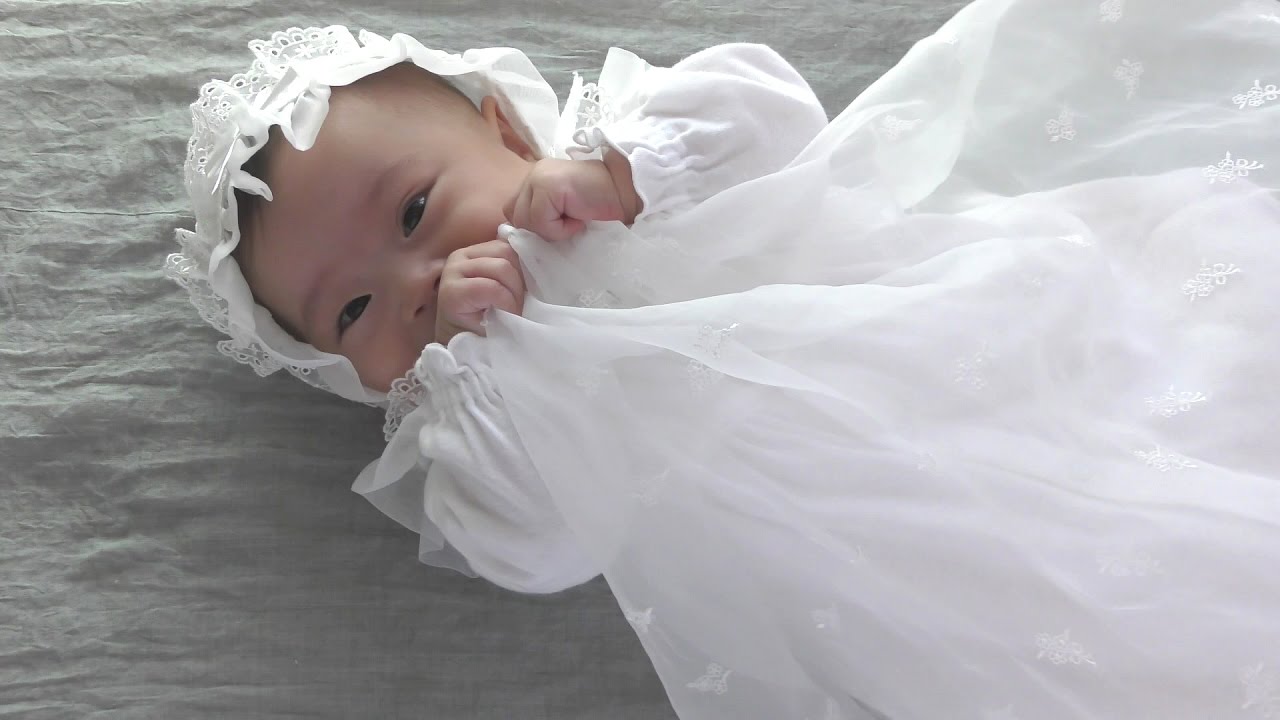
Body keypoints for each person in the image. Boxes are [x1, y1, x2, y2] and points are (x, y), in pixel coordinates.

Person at [167, 1, 1280, 717]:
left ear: (506, 129)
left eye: (415, 206)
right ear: (331, 369)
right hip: (869, 542)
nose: (415, 282)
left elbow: (771, 109)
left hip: (934, 337)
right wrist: (477, 370)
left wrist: (620, 176)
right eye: (353, 308)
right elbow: (537, 551)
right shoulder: (478, 418)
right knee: (1079, 627)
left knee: (1161, 394)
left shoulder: (610, 171)